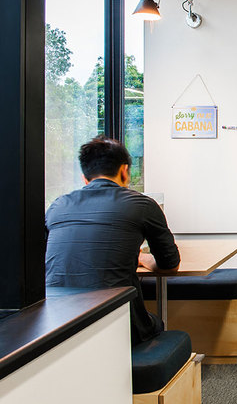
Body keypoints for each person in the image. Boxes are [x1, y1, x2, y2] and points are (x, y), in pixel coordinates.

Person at [45, 136, 181, 345]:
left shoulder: (57, 206)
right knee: (156, 323)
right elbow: (170, 265)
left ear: (85, 178)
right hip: (119, 322)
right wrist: (142, 259)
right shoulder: (142, 204)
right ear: (124, 171)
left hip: (56, 324)